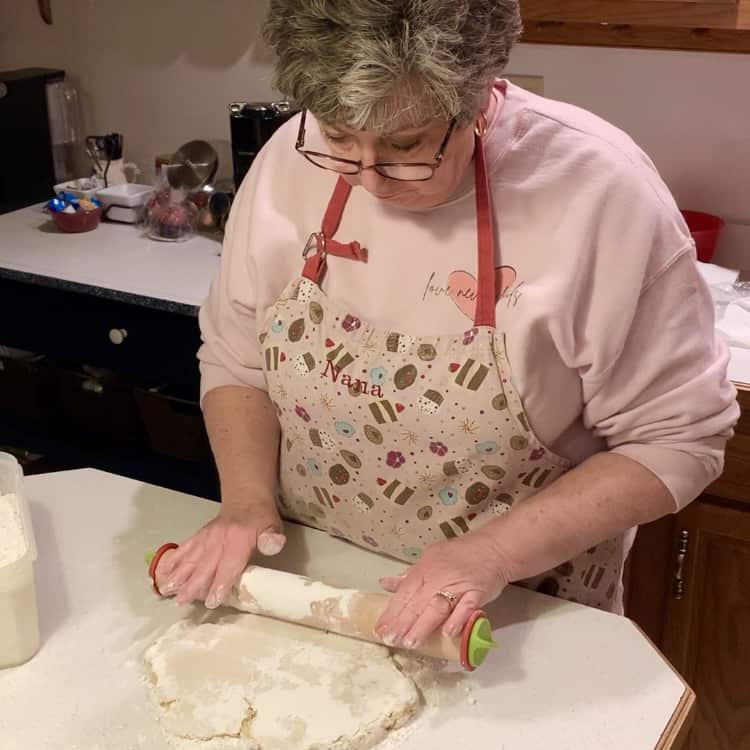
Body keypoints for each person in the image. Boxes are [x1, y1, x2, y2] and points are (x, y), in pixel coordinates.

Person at [158, 0, 738, 651]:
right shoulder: (286, 160)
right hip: (318, 592)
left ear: (478, 96)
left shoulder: (599, 191)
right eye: (339, 138)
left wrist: (487, 555)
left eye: (405, 146)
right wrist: (244, 504)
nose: (369, 178)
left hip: (516, 620)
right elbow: (239, 361)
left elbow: (678, 442)